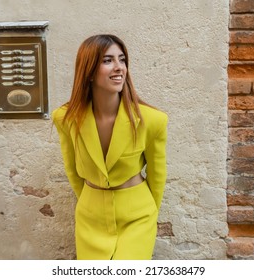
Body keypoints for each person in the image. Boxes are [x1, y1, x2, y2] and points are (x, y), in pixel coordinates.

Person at [52, 34, 168, 260]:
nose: (119, 68)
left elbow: (157, 174)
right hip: (90, 217)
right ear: (88, 71)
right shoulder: (66, 118)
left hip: (137, 216)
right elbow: (73, 170)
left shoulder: (152, 120)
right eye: (108, 61)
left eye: (122, 60)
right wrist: (91, 199)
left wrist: (149, 211)